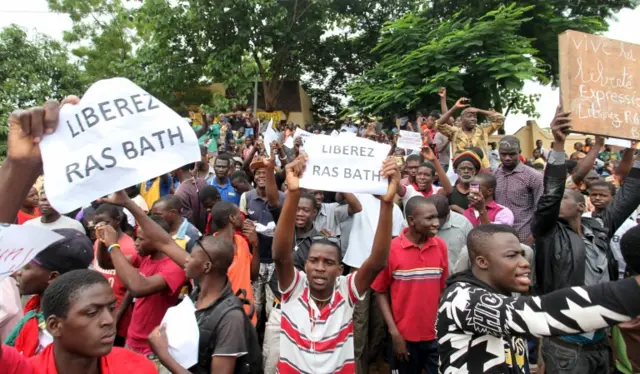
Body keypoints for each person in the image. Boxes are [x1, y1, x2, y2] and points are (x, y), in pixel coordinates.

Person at [438, 224, 640, 374]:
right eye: (512, 256)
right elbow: (541, 313)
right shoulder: (462, 298)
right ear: (482, 262)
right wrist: (633, 290)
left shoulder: (500, 294)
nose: (524, 263)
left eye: (522, 254)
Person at [533, 106, 640, 373]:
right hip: (566, 344)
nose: (558, 199)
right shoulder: (548, 234)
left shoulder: (601, 227)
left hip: (600, 341)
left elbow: (631, 192)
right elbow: (551, 193)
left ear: (581, 207)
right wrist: (558, 143)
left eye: (566, 198)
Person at [273, 154, 399, 373]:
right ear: (305, 266)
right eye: (313, 261)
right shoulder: (294, 288)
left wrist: (386, 204)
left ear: (340, 270)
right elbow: (280, 255)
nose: (320, 267)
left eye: (328, 262)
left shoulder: (345, 290)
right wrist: (293, 193)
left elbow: (377, 262)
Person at [2, 269, 157, 374]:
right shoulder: (29, 370)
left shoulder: (137, 367)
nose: (109, 320)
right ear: (54, 326)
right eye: (92, 313)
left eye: (111, 308)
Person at [95, 212, 186, 361]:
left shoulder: (174, 267)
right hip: (133, 339)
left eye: (140, 239)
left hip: (153, 348)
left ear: (156, 241)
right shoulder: (145, 257)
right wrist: (103, 241)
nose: (135, 242)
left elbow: (137, 288)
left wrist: (113, 245)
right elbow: (107, 263)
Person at [372, 196, 446, 374]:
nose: (436, 223)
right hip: (404, 337)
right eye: (429, 218)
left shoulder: (440, 246)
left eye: (437, 217)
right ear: (412, 221)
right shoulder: (392, 249)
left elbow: (442, 290)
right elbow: (380, 291)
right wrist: (395, 334)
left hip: (435, 336)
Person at [5, 229, 94, 357]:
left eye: (26, 267)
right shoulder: (36, 307)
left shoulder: (55, 332)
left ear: (53, 277)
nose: (18, 272)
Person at [240, 156, 284, 324]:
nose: (261, 176)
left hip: (275, 261)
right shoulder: (247, 197)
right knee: (254, 307)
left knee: (272, 309)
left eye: (266, 173)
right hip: (255, 261)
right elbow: (241, 223)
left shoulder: (283, 197)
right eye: (258, 173)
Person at [90, 203, 137, 348]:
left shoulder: (130, 246)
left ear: (117, 220)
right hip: (98, 306)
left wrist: (118, 314)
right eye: (97, 223)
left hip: (118, 309)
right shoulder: (99, 242)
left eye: (105, 223)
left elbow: (132, 286)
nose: (100, 226)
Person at [208, 201, 260, 324]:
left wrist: (255, 245)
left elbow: (253, 275)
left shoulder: (241, 241)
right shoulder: (211, 249)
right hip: (225, 319)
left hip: (247, 314)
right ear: (232, 218)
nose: (243, 218)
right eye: (239, 215)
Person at [493, 135, 543, 243]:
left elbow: (541, 210)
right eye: (503, 154)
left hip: (525, 237)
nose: (507, 158)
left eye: (512, 154)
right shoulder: (494, 175)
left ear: (519, 152)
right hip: (499, 238)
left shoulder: (533, 176)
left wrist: (531, 239)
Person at [585, 181, 637, 279]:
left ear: (613, 197)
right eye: (594, 194)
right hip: (593, 273)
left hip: (621, 274)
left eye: (603, 195)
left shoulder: (628, 224)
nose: (597, 198)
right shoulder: (584, 219)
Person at [437, 98, 504, 168]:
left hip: (483, 168)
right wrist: (455, 107)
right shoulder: (454, 132)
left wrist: (478, 110)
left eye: (475, 117)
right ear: (461, 119)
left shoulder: (483, 130)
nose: (473, 119)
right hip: (462, 170)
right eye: (469, 116)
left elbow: (500, 118)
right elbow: (439, 125)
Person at [426, 194, 473, 272]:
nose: (435, 224)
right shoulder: (414, 223)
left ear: (448, 214)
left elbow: (472, 255)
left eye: (439, 221)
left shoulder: (463, 224)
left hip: (455, 279)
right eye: (430, 219)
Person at [174, 163, 209, 233]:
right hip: (206, 233)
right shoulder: (203, 182)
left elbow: (187, 221)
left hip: (193, 236)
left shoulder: (180, 192)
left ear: (178, 169)